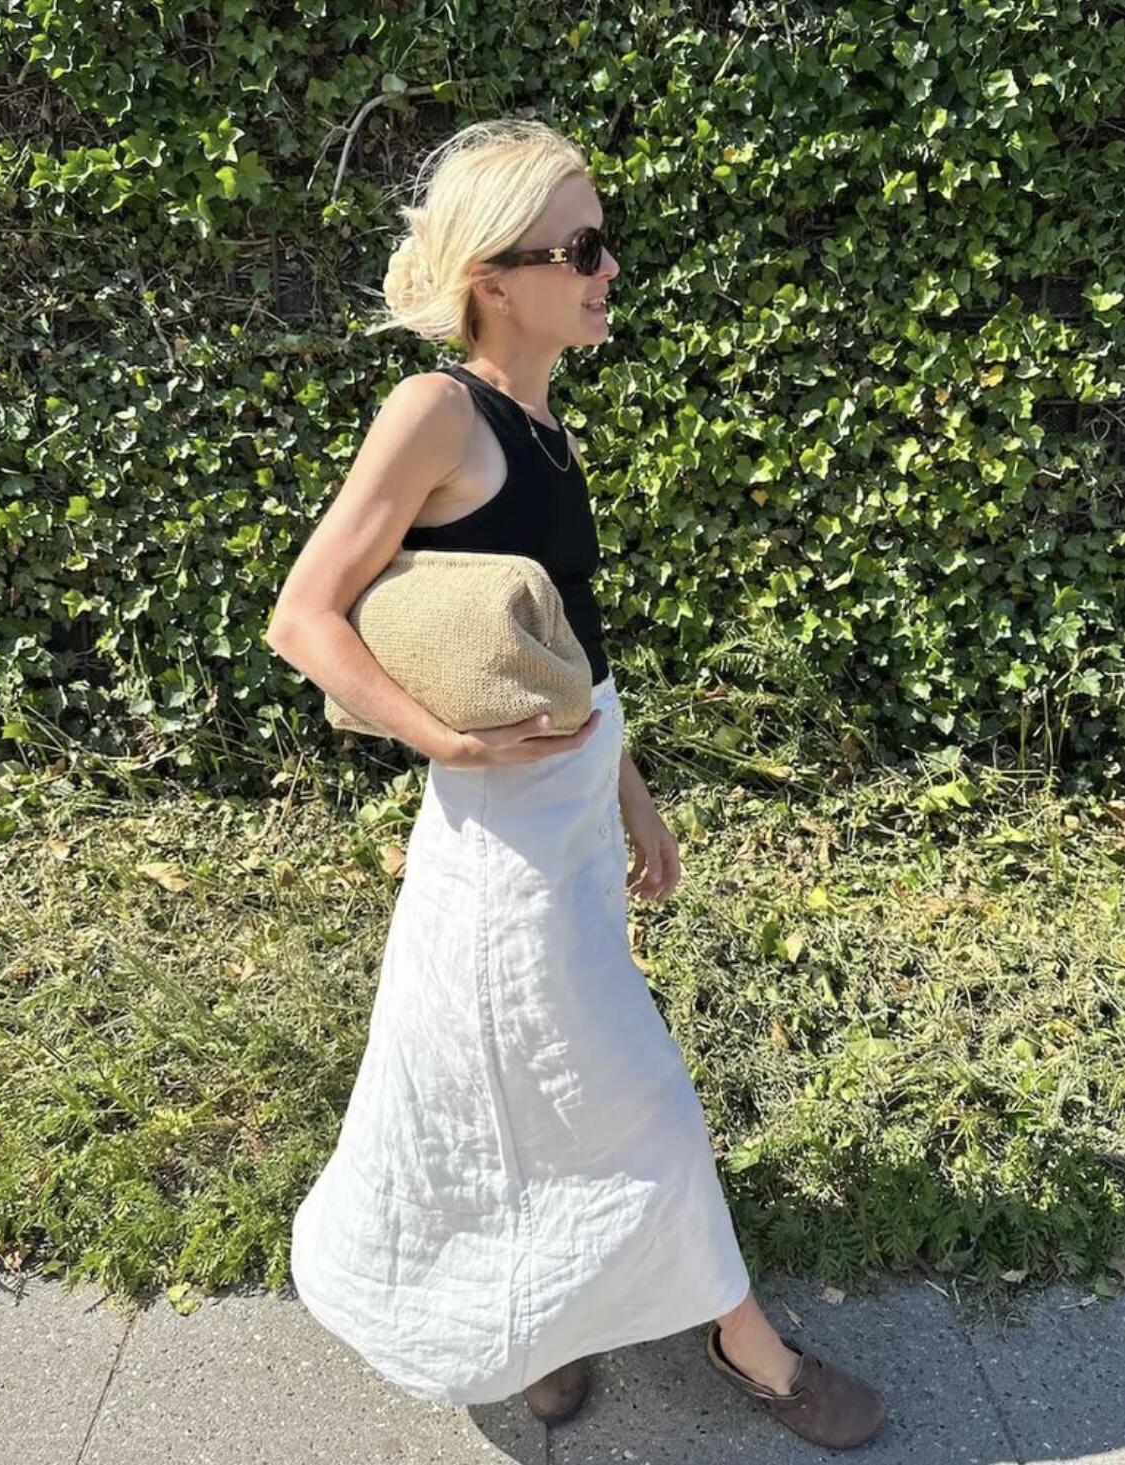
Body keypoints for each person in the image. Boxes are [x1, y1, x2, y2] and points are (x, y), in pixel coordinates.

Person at [266, 117, 885, 1451]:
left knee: (513, 1096)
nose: (608, 269)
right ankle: (750, 1348)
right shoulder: (437, 411)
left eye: (604, 242)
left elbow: (572, 653)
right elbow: (302, 614)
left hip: (569, 824)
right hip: (499, 852)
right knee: (630, 1092)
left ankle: (534, 1332)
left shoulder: (543, 425)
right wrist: (441, 741)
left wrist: (632, 795)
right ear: (495, 277)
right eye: (582, 246)